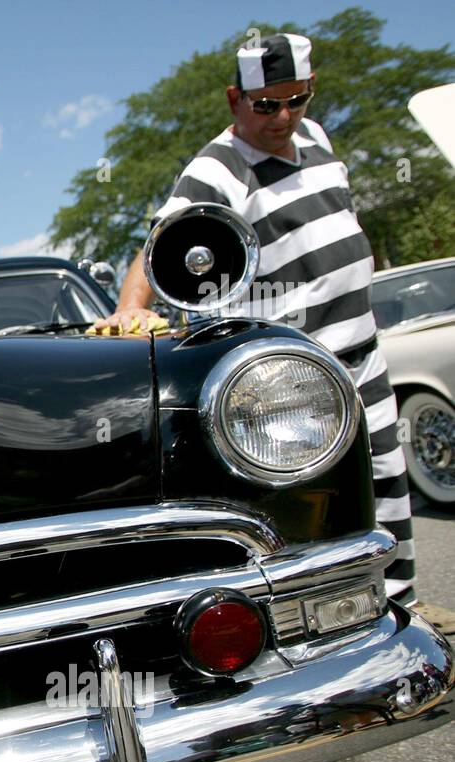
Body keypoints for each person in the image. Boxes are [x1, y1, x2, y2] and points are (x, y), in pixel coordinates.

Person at [100, 33, 416, 604]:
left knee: (391, 503)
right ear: (234, 101)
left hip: (365, 358)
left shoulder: (314, 137)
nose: (284, 117)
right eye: (267, 105)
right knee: (328, 522)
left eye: (298, 100)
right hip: (303, 386)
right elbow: (164, 243)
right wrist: (132, 306)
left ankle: (404, 615)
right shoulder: (219, 168)